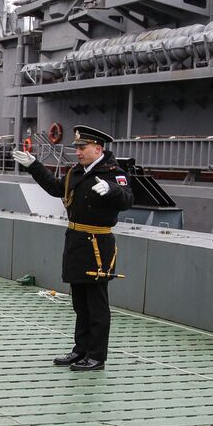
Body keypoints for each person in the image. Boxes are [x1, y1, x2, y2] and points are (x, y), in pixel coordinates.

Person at [12, 126, 133, 371]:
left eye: (82, 147)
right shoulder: (77, 172)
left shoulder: (113, 173)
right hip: (76, 241)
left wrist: (112, 190)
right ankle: (81, 350)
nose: (77, 152)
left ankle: (96, 356)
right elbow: (57, 188)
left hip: (98, 244)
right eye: (76, 147)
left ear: (97, 149)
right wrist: (34, 166)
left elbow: (128, 199)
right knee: (80, 302)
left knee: (96, 305)